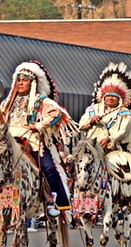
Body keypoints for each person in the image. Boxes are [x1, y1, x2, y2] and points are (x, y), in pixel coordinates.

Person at [0, 59, 77, 217]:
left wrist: (39, 125)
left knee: (49, 167)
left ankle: (52, 200)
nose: (20, 83)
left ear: (32, 83)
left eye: (25, 80)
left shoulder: (40, 101)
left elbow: (57, 114)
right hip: (8, 143)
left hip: (31, 143)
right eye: (18, 80)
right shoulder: (6, 104)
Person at [79, 62, 131, 212]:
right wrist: (90, 122)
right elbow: (80, 125)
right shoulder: (92, 110)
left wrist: (111, 138)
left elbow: (123, 131)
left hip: (113, 149)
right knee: (78, 166)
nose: (110, 99)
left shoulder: (124, 114)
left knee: (125, 169)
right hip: (91, 147)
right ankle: (78, 195)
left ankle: (130, 197)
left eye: (114, 97)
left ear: (119, 99)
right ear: (103, 97)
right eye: (108, 96)